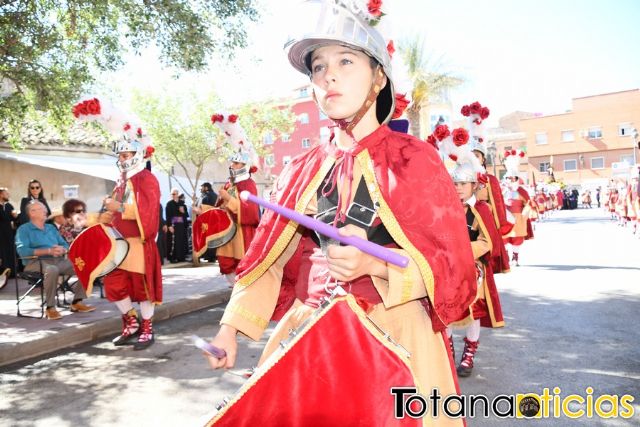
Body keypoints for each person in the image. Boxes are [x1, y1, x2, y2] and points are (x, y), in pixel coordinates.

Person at [205, 3, 476, 424]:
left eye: (345, 61)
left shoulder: (416, 160)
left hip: (398, 334)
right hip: (311, 337)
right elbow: (267, 262)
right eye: (318, 66)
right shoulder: (301, 168)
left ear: (378, 77)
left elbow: (454, 272)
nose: (327, 75)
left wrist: (374, 263)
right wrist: (230, 329)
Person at [99, 135, 162, 350]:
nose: (122, 159)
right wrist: (105, 217)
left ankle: (147, 327)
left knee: (142, 287)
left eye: (126, 154)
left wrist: (118, 207)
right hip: (118, 243)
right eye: (120, 155)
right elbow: (115, 209)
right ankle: (131, 322)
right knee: (114, 284)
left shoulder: (147, 179)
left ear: (137, 155)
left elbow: (148, 213)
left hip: (138, 243)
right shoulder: (121, 180)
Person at [446, 159, 504, 378]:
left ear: (473, 186)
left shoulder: (480, 211)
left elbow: (487, 242)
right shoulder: (444, 209)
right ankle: (448, 353)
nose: (458, 188)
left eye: (463, 183)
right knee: (446, 310)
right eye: (455, 183)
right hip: (447, 268)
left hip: (473, 268)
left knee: (474, 313)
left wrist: (462, 251)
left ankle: (468, 356)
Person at [15, 201, 95, 319]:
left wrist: (62, 249)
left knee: (84, 265)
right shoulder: (24, 229)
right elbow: (23, 251)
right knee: (52, 269)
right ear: (32, 213)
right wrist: (48, 251)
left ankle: (77, 302)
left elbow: (64, 244)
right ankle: (50, 308)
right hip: (34, 262)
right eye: (42, 209)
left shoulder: (50, 228)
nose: (45, 211)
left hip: (57, 260)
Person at [211, 114, 261, 286]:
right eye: (232, 163)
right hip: (227, 233)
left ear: (245, 166)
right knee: (226, 264)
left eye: (236, 164)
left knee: (243, 268)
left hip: (241, 234)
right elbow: (220, 207)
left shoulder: (249, 184)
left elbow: (252, 213)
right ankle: (235, 294)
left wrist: (228, 200)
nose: (232, 166)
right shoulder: (228, 183)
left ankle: (241, 297)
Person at [502, 150, 533, 266]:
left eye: (513, 178)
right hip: (505, 218)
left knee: (517, 239)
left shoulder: (522, 191)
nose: (510, 180)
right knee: (504, 238)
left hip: (518, 218)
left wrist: (524, 215)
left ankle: (515, 257)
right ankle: (505, 257)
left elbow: (528, 204)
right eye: (508, 178)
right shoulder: (502, 190)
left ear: (517, 179)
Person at [191, 182, 219, 262]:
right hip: (211, 220)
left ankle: (210, 256)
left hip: (208, 220)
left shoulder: (208, 196)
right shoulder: (211, 195)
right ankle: (210, 256)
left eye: (202, 187)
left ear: (206, 188)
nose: (201, 189)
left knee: (208, 238)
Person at [0, 187, 18, 289]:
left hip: (9, 233)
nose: (8, 196)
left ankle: (11, 272)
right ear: (1, 195)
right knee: (2, 253)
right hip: (0, 234)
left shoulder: (9, 206)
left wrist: (15, 216)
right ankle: (3, 273)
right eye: (6, 194)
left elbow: (14, 219)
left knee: (10, 251)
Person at [166, 189, 187, 263]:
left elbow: (186, 215)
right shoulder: (169, 204)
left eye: (175, 194)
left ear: (178, 194)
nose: (173, 195)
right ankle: (173, 257)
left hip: (181, 225)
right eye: (172, 194)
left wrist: (183, 212)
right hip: (173, 224)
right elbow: (168, 216)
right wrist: (169, 226)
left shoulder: (182, 203)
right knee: (173, 241)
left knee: (181, 240)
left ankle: (181, 257)